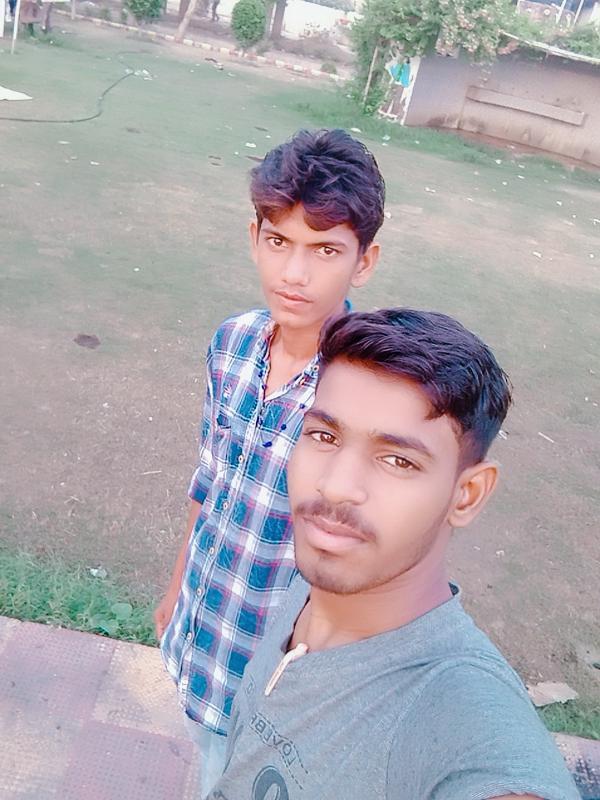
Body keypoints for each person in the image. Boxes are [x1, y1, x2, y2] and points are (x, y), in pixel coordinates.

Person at [208, 309, 580, 800]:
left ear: (466, 495)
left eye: (398, 460)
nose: (335, 486)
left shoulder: (457, 718)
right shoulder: (316, 585)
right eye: (324, 436)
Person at [155, 129, 384, 797]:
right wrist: (176, 586)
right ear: (254, 236)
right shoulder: (233, 343)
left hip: (281, 671)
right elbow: (211, 478)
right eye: (279, 242)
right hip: (205, 627)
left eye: (326, 250)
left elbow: (365, 558)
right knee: (208, 763)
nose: (294, 274)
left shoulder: (364, 392)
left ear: (364, 262)